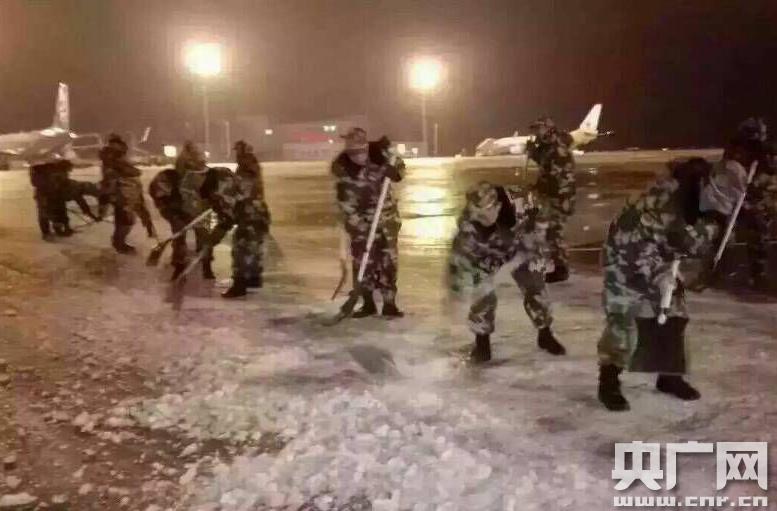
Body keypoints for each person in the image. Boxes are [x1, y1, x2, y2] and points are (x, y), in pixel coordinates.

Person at [597, 158, 739, 411]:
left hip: (660, 258)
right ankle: (608, 382)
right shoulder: (660, 203)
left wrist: (714, 235)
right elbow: (642, 246)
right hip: (625, 263)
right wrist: (661, 276)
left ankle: (669, 377)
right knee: (623, 321)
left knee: (674, 316)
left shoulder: (692, 202)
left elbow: (688, 242)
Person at [448, 181, 566, 363]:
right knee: (482, 289)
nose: (480, 217)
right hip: (491, 250)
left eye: (486, 212)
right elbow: (461, 255)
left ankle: (545, 334)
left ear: (498, 206)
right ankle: (482, 343)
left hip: (522, 243)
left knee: (535, 284)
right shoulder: (470, 223)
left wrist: (546, 253)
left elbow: (544, 225)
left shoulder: (524, 204)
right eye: (477, 213)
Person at [331, 128, 405, 318]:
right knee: (363, 262)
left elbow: (399, 166)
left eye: (360, 151)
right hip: (361, 224)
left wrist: (395, 171)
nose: (358, 157)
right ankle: (368, 303)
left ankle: (389, 304)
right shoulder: (344, 171)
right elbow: (347, 207)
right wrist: (361, 229)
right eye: (353, 153)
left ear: (366, 147)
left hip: (386, 219)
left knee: (388, 262)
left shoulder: (380, 156)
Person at [721, 118, 777, 290]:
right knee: (728, 232)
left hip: (753, 196)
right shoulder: (736, 149)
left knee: (756, 231)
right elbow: (728, 170)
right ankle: (720, 267)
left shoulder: (763, 149)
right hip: (735, 196)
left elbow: (770, 168)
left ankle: (757, 273)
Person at [199, 166, 271, 298]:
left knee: (240, 249)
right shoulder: (230, 179)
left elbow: (227, 220)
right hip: (261, 212)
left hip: (249, 217)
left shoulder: (220, 192)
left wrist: (211, 242)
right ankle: (253, 279)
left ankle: (240, 285)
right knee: (253, 248)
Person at [526, 117, 576, 283]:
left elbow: (556, 176)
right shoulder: (548, 147)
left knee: (555, 232)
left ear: (548, 129)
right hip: (553, 196)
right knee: (551, 232)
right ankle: (559, 265)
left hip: (560, 197)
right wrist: (533, 152)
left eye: (539, 129)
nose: (536, 133)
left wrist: (540, 187)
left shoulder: (557, 148)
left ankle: (562, 269)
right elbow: (545, 163)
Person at [98, 134, 156, 254]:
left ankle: (119, 242)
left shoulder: (115, 159)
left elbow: (128, 172)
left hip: (127, 193)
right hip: (121, 194)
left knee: (125, 220)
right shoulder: (112, 160)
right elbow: (114, 177)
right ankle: (119, 243)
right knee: (125, 221)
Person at [176, 141, 215, 279]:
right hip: (190, 206)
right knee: (188, 235)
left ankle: (205, 265)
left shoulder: (200, 170)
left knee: (202, 235)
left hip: (199, 207)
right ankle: (182, 263)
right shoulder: (186, 167)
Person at [29, 157, 74, 240]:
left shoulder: (61, 172)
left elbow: (64, 184)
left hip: (56, 195)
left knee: (60, 212)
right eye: (69, 169)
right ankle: (46, 233)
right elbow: (39, 184)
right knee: (44, 214)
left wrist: (66, 194)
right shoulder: (46, 171)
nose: (69, 171)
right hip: (44, 196)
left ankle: (58, 230)